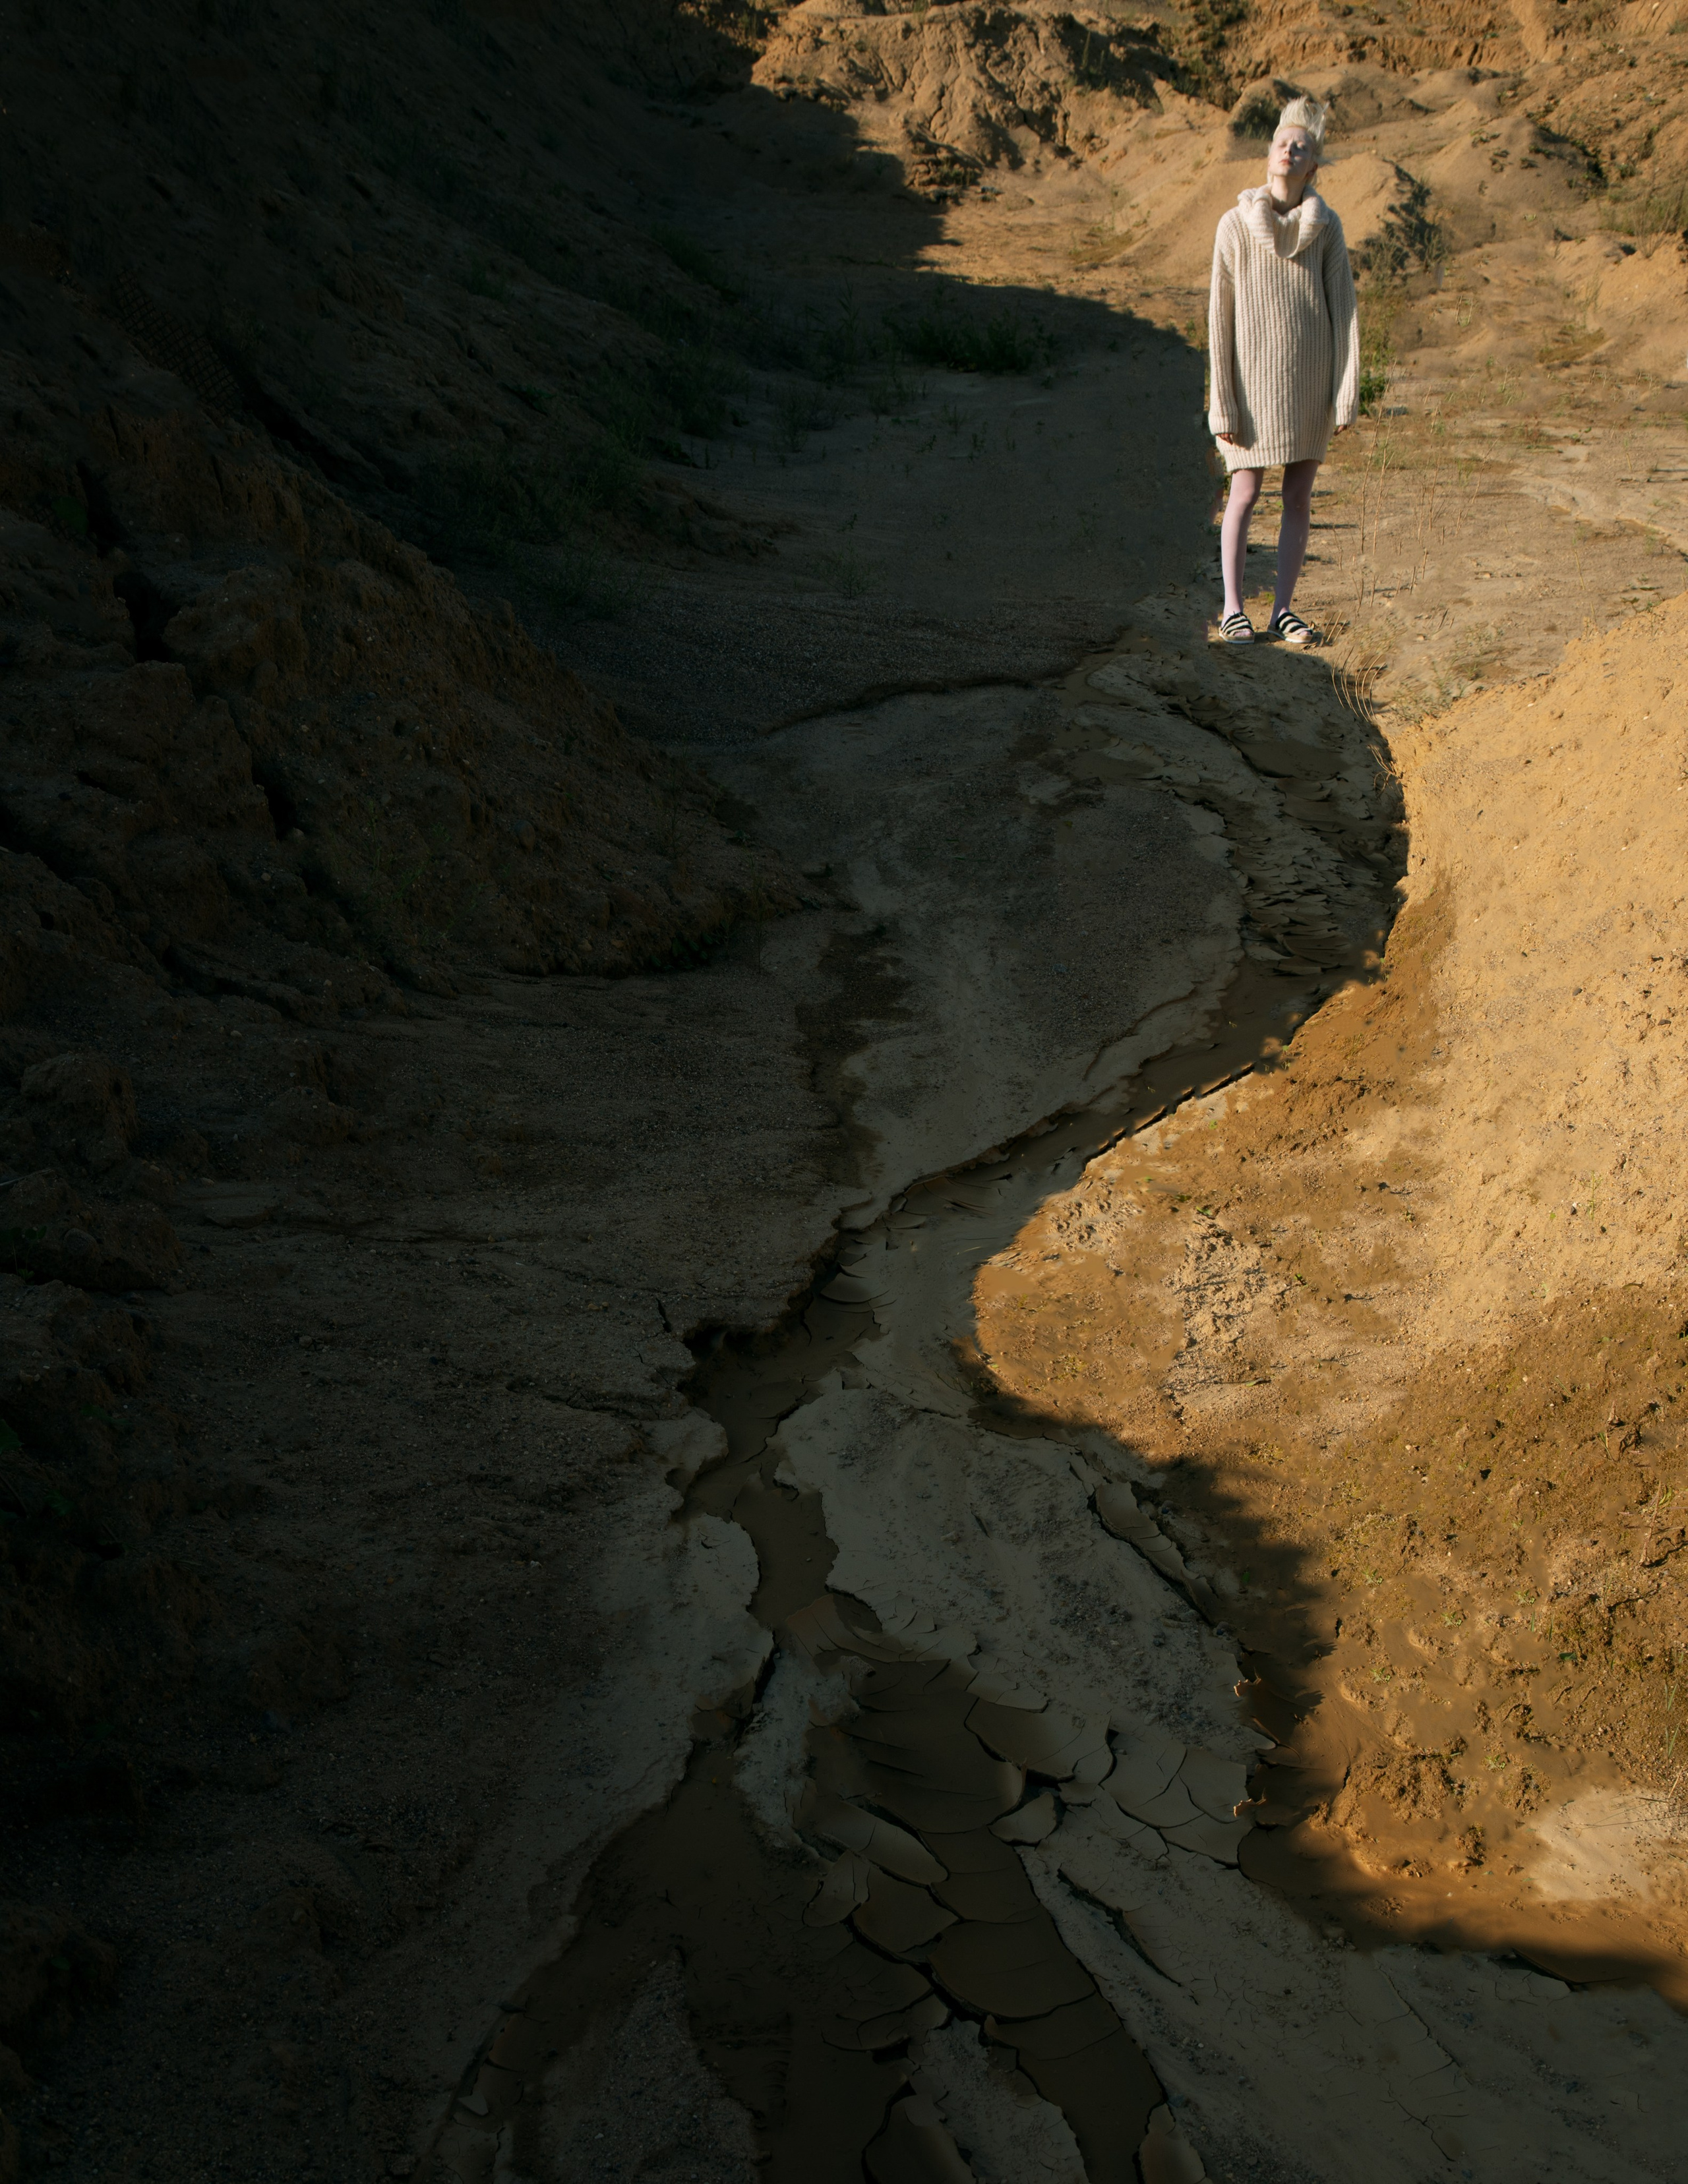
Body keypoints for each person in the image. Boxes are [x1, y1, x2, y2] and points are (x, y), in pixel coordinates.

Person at [1206, 96, 1359, 645]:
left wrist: (1346, 392)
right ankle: (1231, 608)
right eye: (1282, 143)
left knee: (1299, 497)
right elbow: (1218, 318)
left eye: (1302, 147)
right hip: (1251, 389)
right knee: (1243, 492)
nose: (1289, 152)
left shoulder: (1328, 228)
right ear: (1269, 155)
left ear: (1314, 165)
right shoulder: (1234, 225)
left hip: (1309, 388)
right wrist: (1221, 399)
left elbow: (1344, 310)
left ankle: (1284, 610)